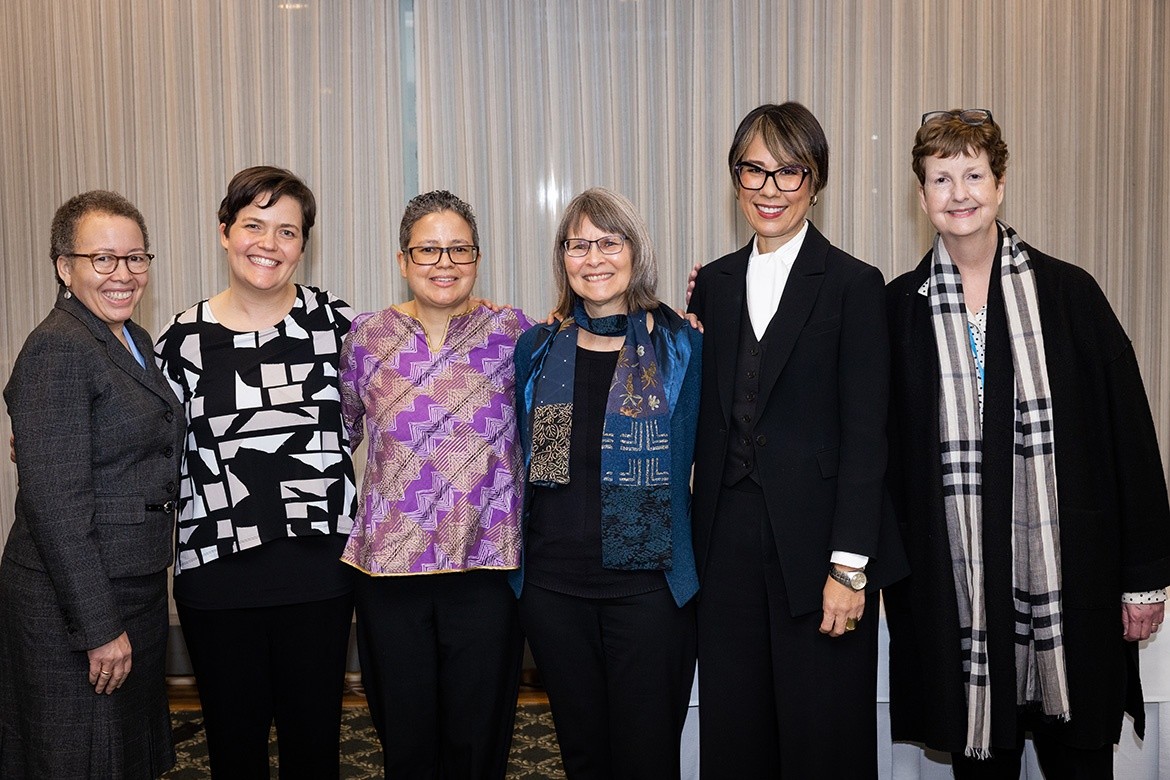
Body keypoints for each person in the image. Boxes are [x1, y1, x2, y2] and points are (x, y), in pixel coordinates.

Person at [884, 109, 1170, 778]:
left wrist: (1144, 580)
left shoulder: (1071, 294)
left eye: (973, 175)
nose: (959, 193)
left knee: (1080, 760)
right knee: (983, 761)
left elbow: (1131, 438)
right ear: (921, 196)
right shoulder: (897, 310)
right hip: (958, 599)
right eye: (941, 179)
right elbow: (870, 446)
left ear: (1001, 184)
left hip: (1072, 585)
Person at [686, 102, 907, 777]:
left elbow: (867, 437)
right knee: (736, 736)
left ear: (816, 181)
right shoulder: (713, 284)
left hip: (819, 552)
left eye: (789, 172)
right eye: (753, 170)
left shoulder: (854, 284)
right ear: (735, 179)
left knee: (823, 741)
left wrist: (849, 567)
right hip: (724, 544)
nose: (770, 188)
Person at [155, 166, 356, 778]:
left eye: (287, 231)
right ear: (224, 232)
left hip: (320, 573)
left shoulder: (340, 326)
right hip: (216, 579)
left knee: (314, 750)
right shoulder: (181, 341)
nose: (269, 243)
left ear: (303, 245)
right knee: (233, 751)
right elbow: (143, 441)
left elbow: (397, 412)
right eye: (253, 225)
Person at [511, 187, 702, 779]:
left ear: (635, 251)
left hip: (650, 594)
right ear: (562, 258)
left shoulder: (682, 346)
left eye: (609, 243)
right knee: (583, 757)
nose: (593, 258)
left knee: (648, 761)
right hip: (553, 591)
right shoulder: (537, 348)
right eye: (578, 245)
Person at [339, 190, 529, 778]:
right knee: (406, 738)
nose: (444, 263)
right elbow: (340, 433)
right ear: (402, 260)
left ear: (477, 259)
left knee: (479, 740)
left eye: (459, 249)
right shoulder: (366, 338)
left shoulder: (518, 333)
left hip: (487, 569)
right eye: (428, 250)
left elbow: (553, 427)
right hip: (389, 573)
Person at [1, 191, 185, 778]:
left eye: (136, 258)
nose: (123, 274)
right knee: (80, 757)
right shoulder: (58, 347)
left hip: (131, 582)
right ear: (64, 266)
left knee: (123, 753)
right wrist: (100, 628)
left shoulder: (132, 339)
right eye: (102, 259)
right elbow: (56, 506)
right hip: (75, 601)